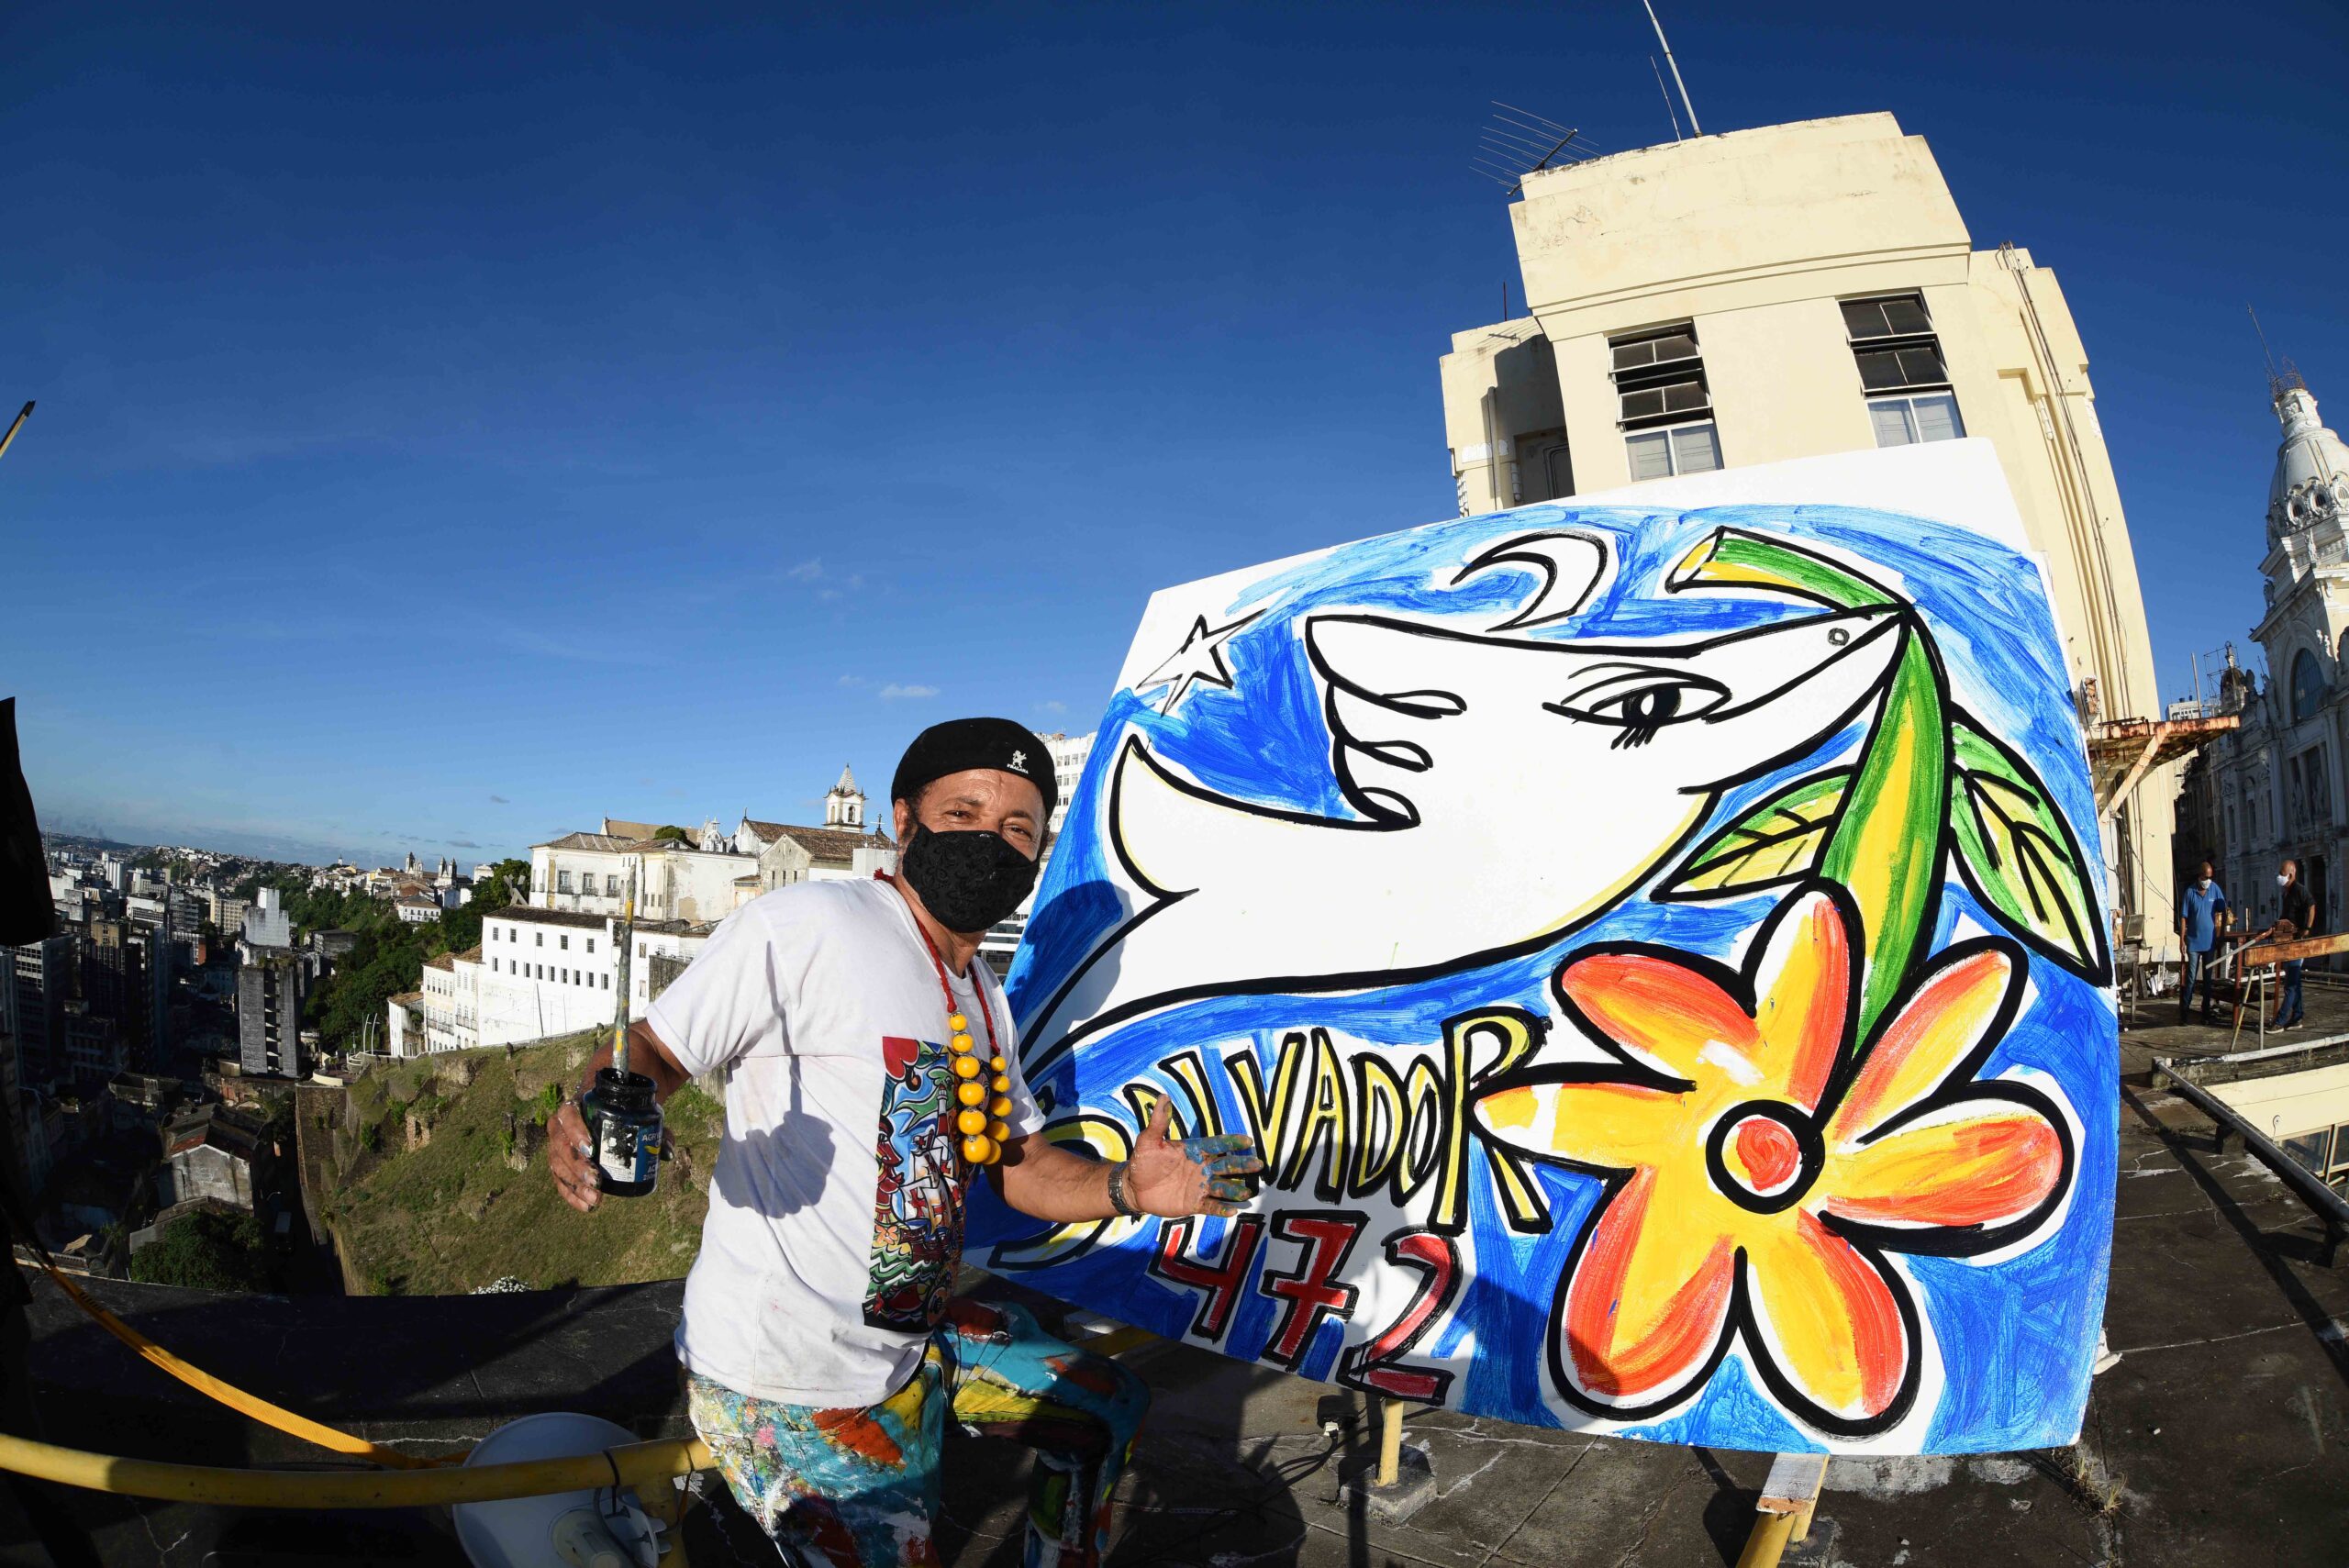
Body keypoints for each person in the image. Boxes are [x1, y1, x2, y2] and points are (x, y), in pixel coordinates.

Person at [548, 717, 1264, 1568]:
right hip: (788, 1377)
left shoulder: (981, 994)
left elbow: (1022, 1163)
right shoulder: (810, 922)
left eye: (1018, 830)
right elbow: (655, 1051)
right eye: (965, 811)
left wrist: (1129, 1187)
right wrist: (595, 1113)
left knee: (1103, 1407)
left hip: (910, 1341)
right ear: (903, 819)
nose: (991, 843)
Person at [2176, 860, 2230, 1023]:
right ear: (2200, 876)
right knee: (2191, 977)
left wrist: (2221, 935)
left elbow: (2224, 910)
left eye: (2210, 877)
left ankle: (2205, 1012)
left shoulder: (2214, 889)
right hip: (2193, 942)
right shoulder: (2190, 892)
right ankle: (2184, 1012)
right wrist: (2182, 940)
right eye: (2206, 877)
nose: (2208, 880)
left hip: (2210, 942)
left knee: (2208, 979)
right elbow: (2184, 917)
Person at [2266, 857, 2316, 1029]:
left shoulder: (2299, 890)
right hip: (2286, 940)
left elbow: (2311, 906)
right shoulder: (2286, 892)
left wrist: (2307, 929)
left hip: (2296, 942)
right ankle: (2297, 1016)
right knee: (2295, 982)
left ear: (2291, 874)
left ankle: (2280, 1021)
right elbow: (2286, 915)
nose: (2279, 877)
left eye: (2282, 874)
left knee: (2290, 985)